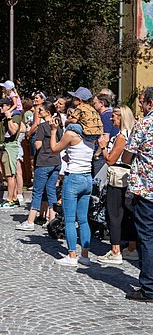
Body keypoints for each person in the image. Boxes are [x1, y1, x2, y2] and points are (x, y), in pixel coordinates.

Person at [49, 114, 93, 267]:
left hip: (73, 177)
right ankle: (85, 256)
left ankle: (72, 255)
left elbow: (54, 149)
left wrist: (54, 130)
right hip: (87, 178)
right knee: (83, 219)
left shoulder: (71, 134)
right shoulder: (91, 135)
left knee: (69, 219)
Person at [97, 106, 138, 265]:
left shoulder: (122, 136)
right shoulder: (133, 134)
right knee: (128, 214)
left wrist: (103, 146)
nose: (111, 119)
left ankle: (115, 250)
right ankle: (131, 248)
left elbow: (110, 160)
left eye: (114, 116)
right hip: (128, 178)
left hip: (118, 178)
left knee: (114, 213)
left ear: (121, 118)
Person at [123, 87, 153, 302]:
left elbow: (127, 156)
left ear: (150, 103)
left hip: (147, 189)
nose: (140, 106)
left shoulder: (144, 124)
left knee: (147, 238)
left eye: (142, 102)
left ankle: (149, 288)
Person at [16, 101, 61, 231]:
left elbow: (38, 145)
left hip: (43, 161)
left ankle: (30, 221)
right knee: (51, 191)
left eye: (40, 110)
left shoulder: (42, 127)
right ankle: (52, 220)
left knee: (37, 192)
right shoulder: (58, 125)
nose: (38, 112)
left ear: (48, 112)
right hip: (55, 161)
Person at [0, 98, 22, 209]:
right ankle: (14, 198)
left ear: (8, 106)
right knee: (8, 175)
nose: (0, 108)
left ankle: (9, 199)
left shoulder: (14, 116)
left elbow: (13, 130)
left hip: (10, 147)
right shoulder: (2, 118)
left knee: (10, 175)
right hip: (4, 147)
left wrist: (9, 117)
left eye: (2, 106)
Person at [93, 93, 119, 176]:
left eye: (95, 103)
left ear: (102, 104)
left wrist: (97, 154)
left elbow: (105, 138)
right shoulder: (109, 114)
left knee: (98, 182)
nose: (93, 105)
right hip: (107, 153)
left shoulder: (105, 116)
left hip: (103, 155)